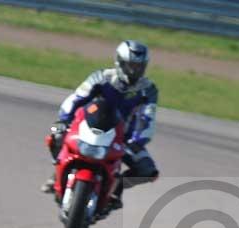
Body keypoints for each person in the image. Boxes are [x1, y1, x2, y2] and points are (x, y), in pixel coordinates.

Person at [43, 40, 158, 209]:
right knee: (56, 135)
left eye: (139, 66)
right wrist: (63, 119)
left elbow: (148, 118)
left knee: (147, 170)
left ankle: (116, 189)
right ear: (119, 62)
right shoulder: (101, 78)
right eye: (130, 65)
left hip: (123, 137)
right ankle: (56, 174)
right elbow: (76, 98)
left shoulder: (147, 90)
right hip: (89, 126)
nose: (134, 71)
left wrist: (137, 141)